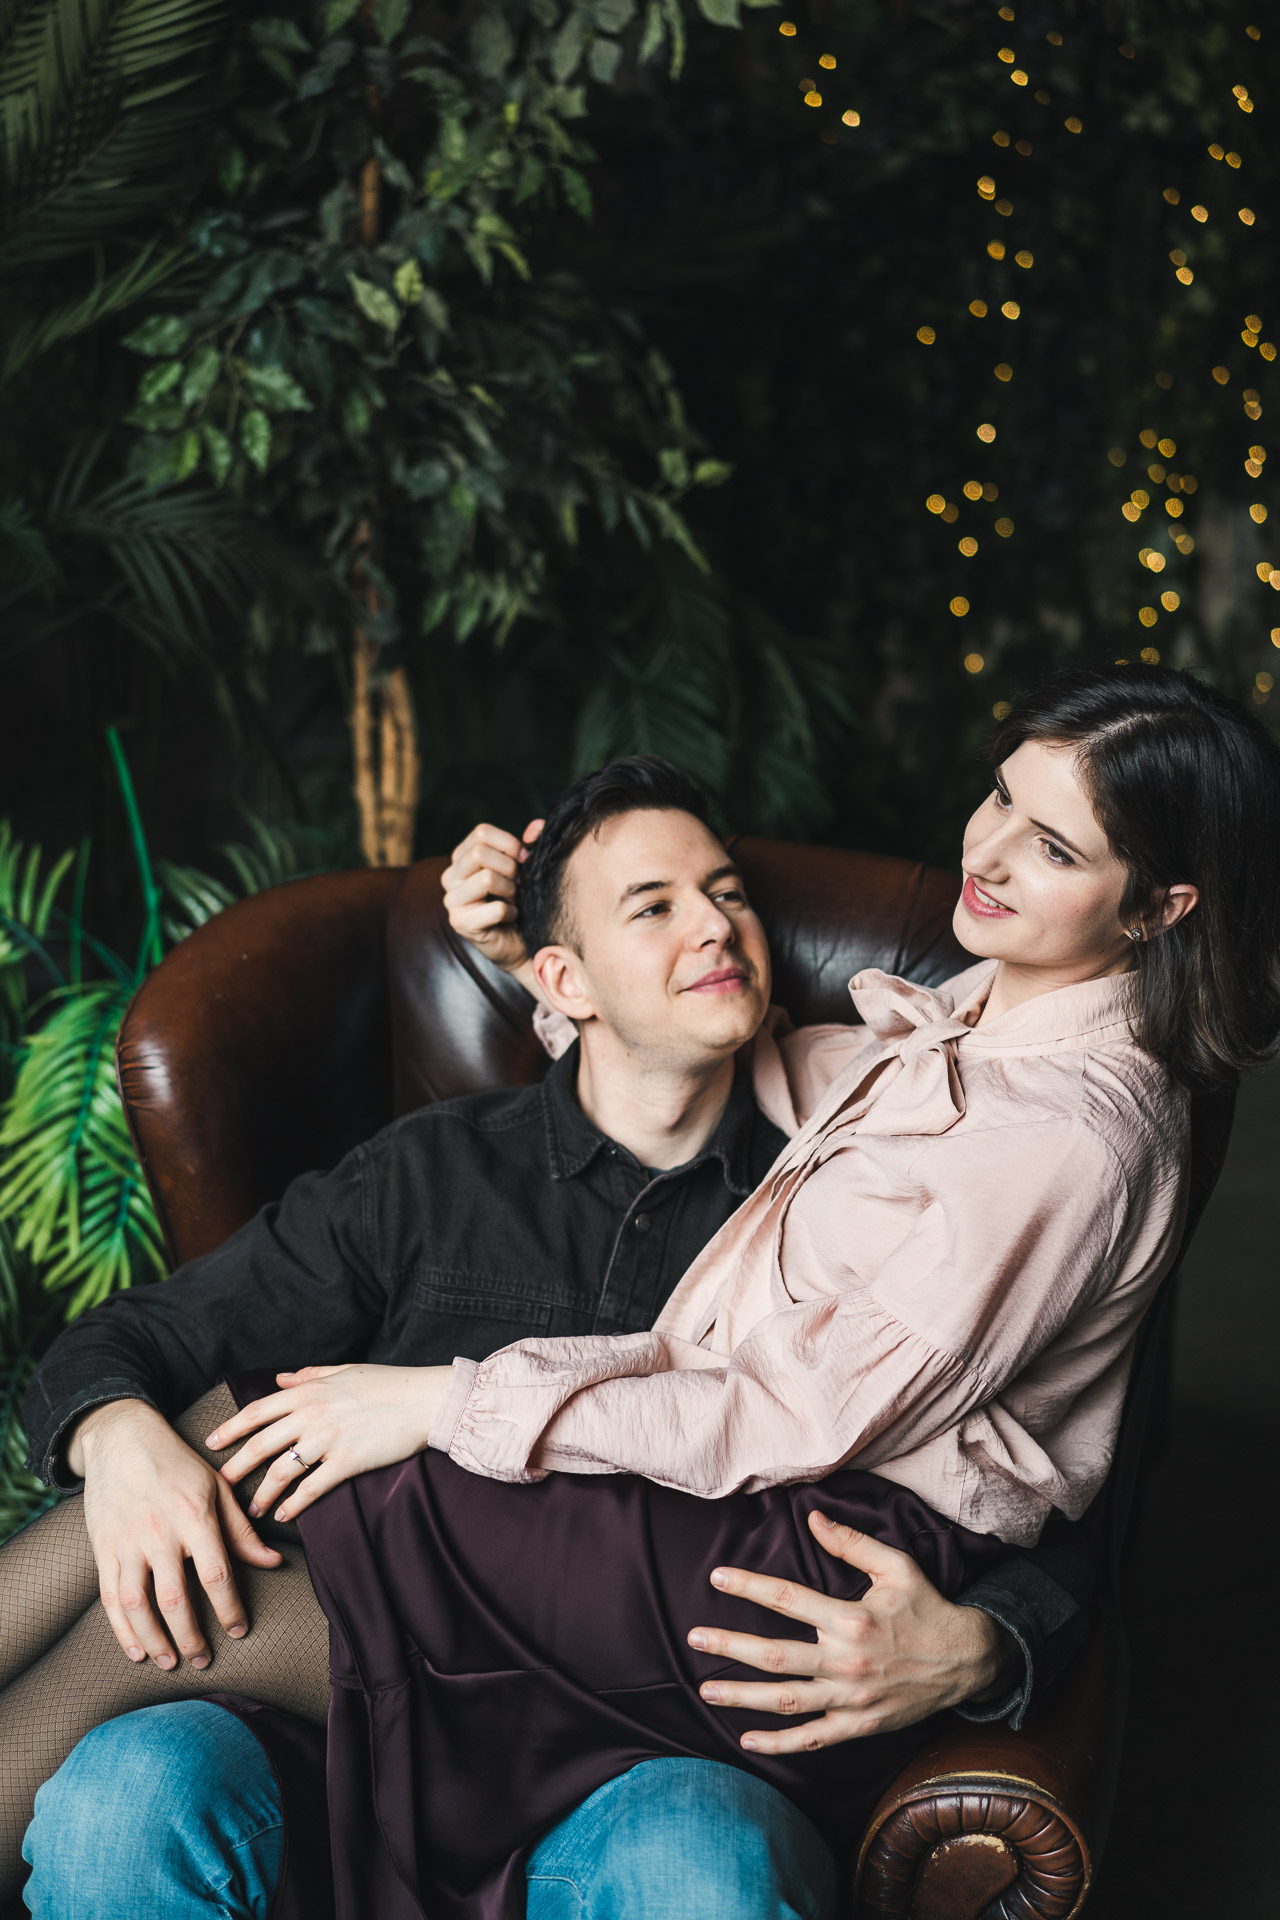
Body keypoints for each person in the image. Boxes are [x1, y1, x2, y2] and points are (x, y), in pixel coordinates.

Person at [11, 664, 1280, 1920]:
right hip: (612, 1593)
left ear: (1156, 906)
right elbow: (792, 1066)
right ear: (566, 982)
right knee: (210, 1479)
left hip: (774, 1573)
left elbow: (919, 1448)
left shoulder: (1049, 1131)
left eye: (1051, 846)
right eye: (998, 798)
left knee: (261, 1523)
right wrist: (117, 1440)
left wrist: (989, 1649)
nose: (988, 854)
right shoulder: (925, 1043)